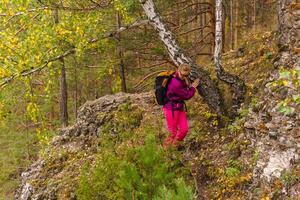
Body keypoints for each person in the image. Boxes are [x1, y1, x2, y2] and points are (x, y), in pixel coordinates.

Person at [163, 63, 200, 148]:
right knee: (172, 132)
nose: (184, 77)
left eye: (186, 75)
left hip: (179, 107)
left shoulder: (181, 78)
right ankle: (166, 151)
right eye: (183, 75)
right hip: (170, 108)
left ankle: (174, 146)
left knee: (184, 130)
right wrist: (193, 87)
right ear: (179, 71)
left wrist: (187, 83)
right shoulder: (174, 83)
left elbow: (183, 85)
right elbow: (186, 95)